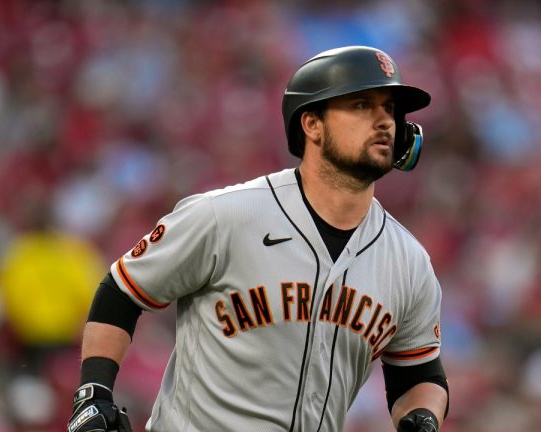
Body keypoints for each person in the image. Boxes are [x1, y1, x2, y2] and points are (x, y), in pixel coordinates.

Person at [67, 45, 449, 432]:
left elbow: (418, 376)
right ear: (312, 124)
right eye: (363, 105)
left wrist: (423, 416)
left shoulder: (409, 262)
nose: (385, 121)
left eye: (391, 109)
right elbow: (122, 291)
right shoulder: (225, 215)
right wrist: (94, 392)